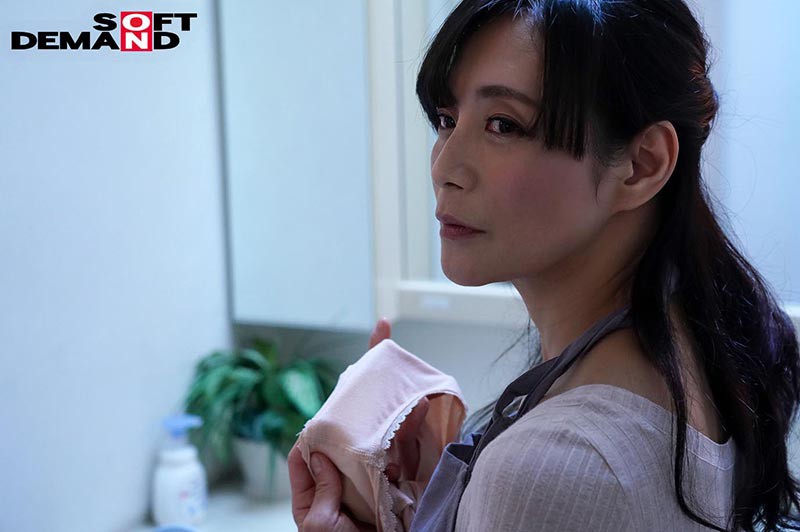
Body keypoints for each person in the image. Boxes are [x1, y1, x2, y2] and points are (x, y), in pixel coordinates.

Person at [288, 1, 800, 530]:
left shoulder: (555, 467)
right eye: (447, 120)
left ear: (641, 165)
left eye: (503, 125)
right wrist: (452, 499)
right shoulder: (697, 344)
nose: (445, 166)